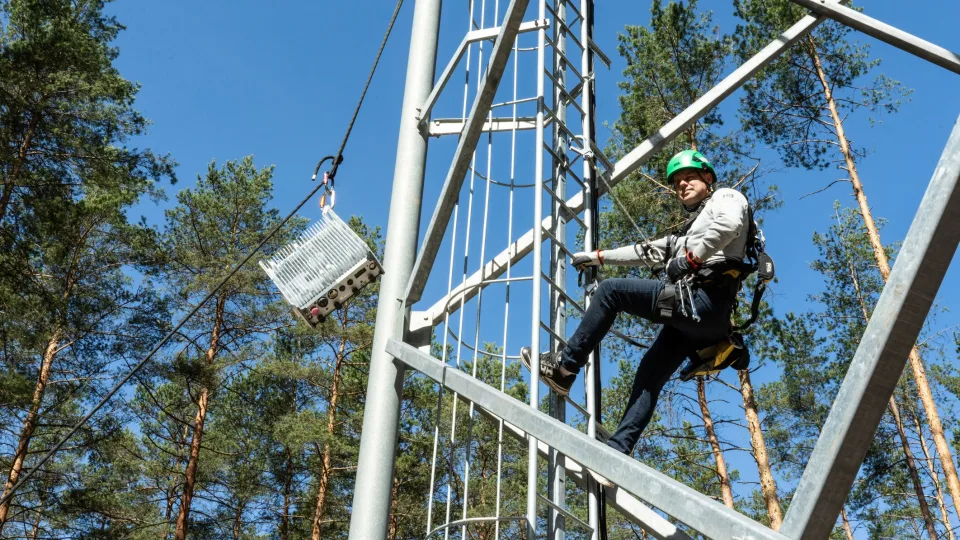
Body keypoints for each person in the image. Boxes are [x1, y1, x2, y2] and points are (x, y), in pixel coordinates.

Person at [521, 149, 750, 484]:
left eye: (689, 177)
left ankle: (565, 368)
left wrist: (690, 259)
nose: (682, 184)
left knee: (611, 292)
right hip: (701, 320)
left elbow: (730, 224)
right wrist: (598, 257)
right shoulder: (693, 228)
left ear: (708, 178)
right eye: (676, 182)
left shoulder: (727, 198)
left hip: (705, 301)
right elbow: (649, 251)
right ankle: (618, 451)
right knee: (649, 374)